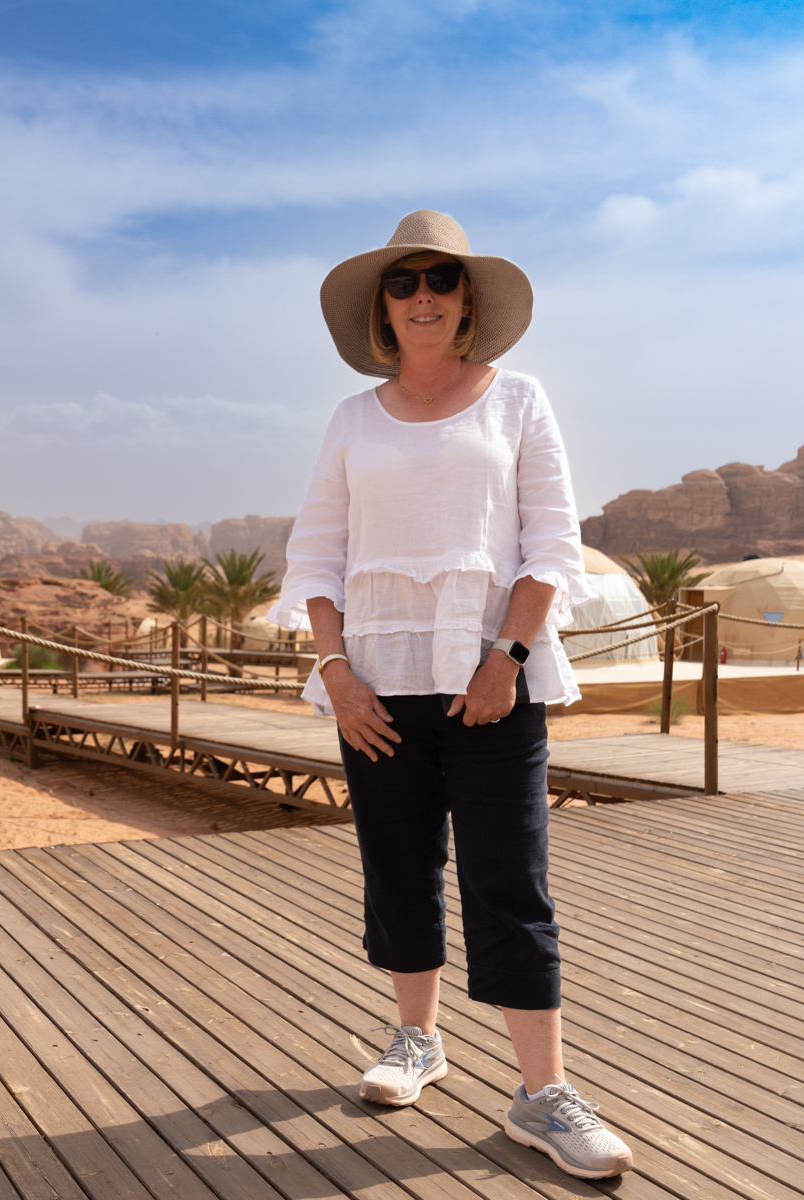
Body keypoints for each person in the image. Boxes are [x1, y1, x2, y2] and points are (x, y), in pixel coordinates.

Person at [267, 210, 634, 1180]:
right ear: (382, 306)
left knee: (508, 875)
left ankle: (541, 1093)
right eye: (404, 280)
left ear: (466, 297)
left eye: (440, 277)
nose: (423, 294)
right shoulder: (352, 419)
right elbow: (316, 556)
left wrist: (506, 656)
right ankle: (416, 1040)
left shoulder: (517, 402)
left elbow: (551, 542)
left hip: (492, 684)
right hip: (377, 686)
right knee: (398, 863)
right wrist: (336, 674)